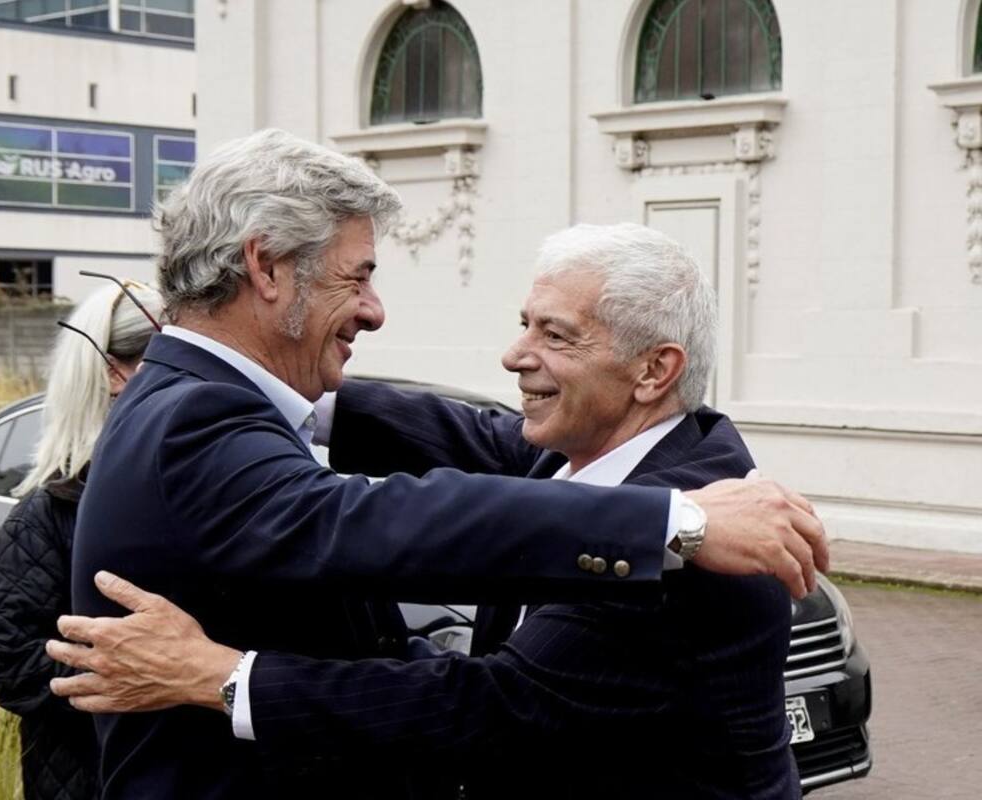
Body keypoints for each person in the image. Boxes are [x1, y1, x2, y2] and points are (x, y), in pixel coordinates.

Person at [69, 129, 825, 798]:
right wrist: (680, 523)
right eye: (355, 276)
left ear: (654, 372)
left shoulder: (670, 517)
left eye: (554, 336)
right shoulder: (197, 417)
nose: (373, 308)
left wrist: (220, 675)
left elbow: (495, 708)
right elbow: (363, 518)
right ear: (266, 269)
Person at [0, 278, 164, 800]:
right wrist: (137, 670)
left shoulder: (186, 493)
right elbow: (12, 665)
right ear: (112, 373)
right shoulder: (45, 516)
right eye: (165, 361)